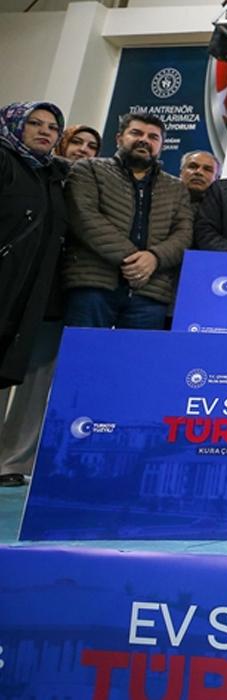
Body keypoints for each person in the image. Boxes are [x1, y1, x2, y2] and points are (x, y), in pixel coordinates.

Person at [63, 111, 193, 330]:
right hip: (94, 284)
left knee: (138, 353)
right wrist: (134, 260)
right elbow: (84, 217)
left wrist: (154, 258)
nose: (144, 140)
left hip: (150, 292)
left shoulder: (176, 187)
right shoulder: (89, 169)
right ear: (119, 138)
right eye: (136, 133)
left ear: (161, 145)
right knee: (83, 351)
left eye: (153, 137)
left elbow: (184, 234)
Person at [0, 102, 69, 488]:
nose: (45, 131)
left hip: (36, 288)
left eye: (52, 127)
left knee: (22, 372)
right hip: (5, 281)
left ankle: (9, 463)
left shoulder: (54, 174)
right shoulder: (4, 161)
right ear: (14, 125)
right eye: (35, 123)